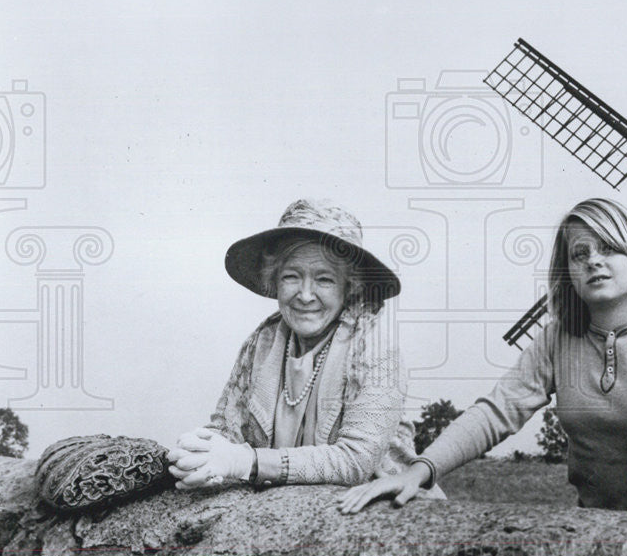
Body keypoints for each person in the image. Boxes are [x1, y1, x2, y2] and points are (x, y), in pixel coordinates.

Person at [340, 197, 627, 518]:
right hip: (596, 525)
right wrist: (420, 470)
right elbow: (496, 411)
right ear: (567, 270)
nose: (593, 260)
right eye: (579, 253)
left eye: (608, 247)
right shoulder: (558, 340)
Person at [168, 198, 440, 495]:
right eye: (291, 277)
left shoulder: (375, 349)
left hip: (380, 510)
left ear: (349, 287)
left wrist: (248, 462)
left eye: (324, 279)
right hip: (284, 511)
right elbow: (226, 431)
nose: (305, 295)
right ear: (275, 281)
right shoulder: (261, 343)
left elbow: (356, 461)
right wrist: (198, 453)